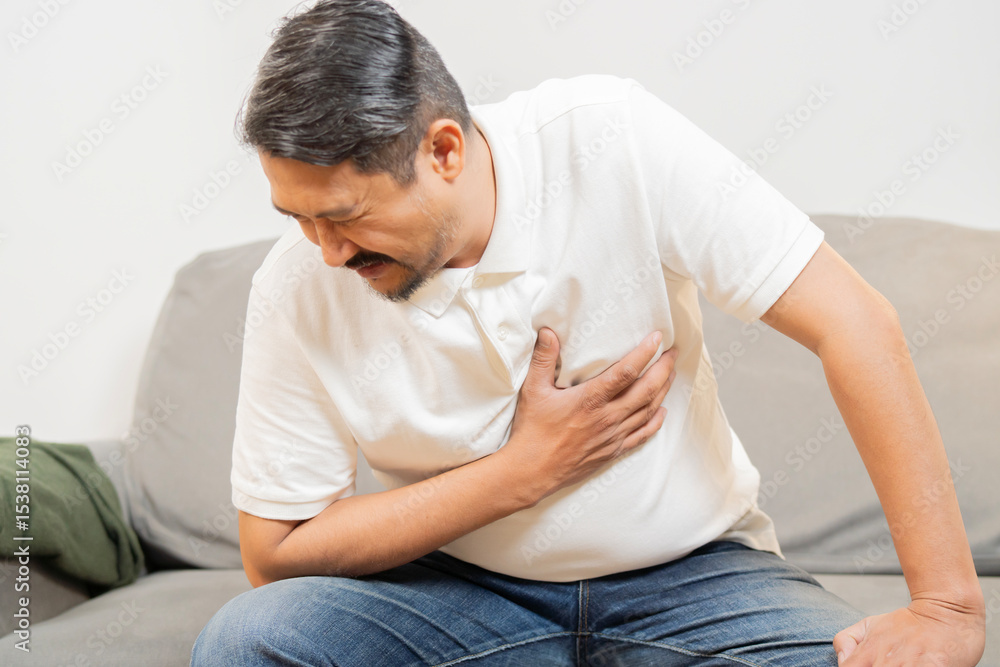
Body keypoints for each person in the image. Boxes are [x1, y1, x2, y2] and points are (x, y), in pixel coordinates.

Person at [191, 1, 986, 665]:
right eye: (296, 217)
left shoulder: (610, 139)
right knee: (245, 642)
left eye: (344, 216)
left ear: (444, 151)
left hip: (694, 579)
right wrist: (520, 472)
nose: (326, 253)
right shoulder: (296, 284)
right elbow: (277, 551)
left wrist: (946, 604)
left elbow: (854, 321)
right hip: (456, 594)